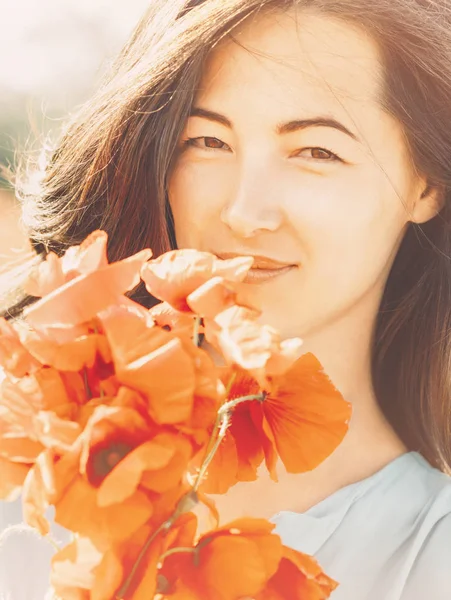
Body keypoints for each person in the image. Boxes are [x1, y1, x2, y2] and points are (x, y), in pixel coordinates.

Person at [1, 1, 451, 598]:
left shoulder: (429, 558)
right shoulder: (27, 488)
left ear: (427, 183)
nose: (243, 213)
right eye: (207, 140)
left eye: (316, 151)